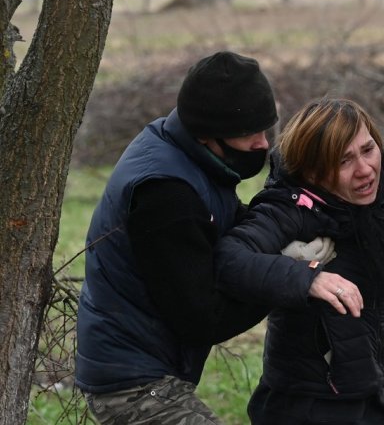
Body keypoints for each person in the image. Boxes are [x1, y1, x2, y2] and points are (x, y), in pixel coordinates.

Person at [214, 97, 384, 425]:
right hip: (307, 398)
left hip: (380, 382)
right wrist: (309, 278)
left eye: (367, 150)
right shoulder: (287, 210)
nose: (364, 170)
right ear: (313, 170)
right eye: (344, 160)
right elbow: (228, 258)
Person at [76, 51, 281, 424]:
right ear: (207, 134)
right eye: (248, 133)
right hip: (132, 386)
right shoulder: (166, 196)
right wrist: (288, 279)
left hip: (144, 367)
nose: (262, 144)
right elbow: (204, 319)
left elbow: (235, 230)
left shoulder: (188, 153)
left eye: (265, 129)